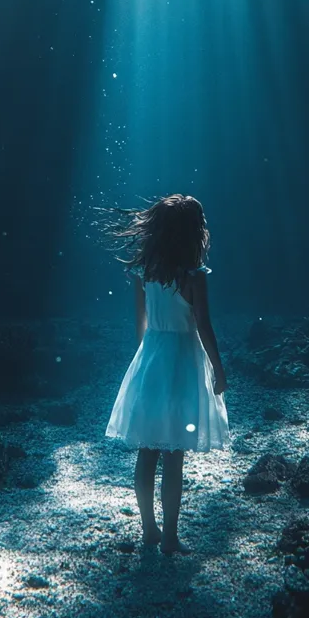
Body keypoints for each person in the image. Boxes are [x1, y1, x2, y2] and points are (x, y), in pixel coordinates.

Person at [104, 194, 229, 554]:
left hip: (152, 358)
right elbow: (204, 327)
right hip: (183, 362)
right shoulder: (194, 278)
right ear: (194, 234)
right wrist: (218, 371)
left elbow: (140, 323)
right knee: (174, 455)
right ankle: (170, 537)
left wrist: (144, 364)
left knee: (147, 451)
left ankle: (149, 530)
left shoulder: (144, 273)